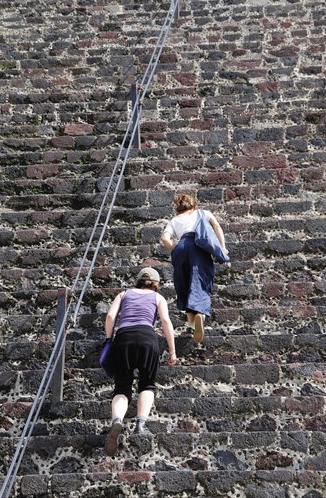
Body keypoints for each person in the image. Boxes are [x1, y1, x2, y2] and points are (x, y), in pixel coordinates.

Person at [104, 267, 177, 456]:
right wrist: (172, 350)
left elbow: (111, 316)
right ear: (156, 283)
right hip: (147, 338)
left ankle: (117, 420)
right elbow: (166, 322)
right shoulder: (158, 298)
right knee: (147, 384)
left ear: (137, 280)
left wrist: (109, 339)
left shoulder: (123, 294)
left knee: (121, 387)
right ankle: (141, 424)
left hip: (123, 339)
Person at [161, 192, 228, 344]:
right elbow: (216, 227)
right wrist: (222, 247)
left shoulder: (174, 220)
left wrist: (176, 249)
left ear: (178, 208)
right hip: (198, 246)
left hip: (181, 248)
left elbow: (165, 238)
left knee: (184, 284)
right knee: (200, 280)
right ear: (194, 205)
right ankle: (200, 313)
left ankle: (190, 326)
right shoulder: (203, 213)